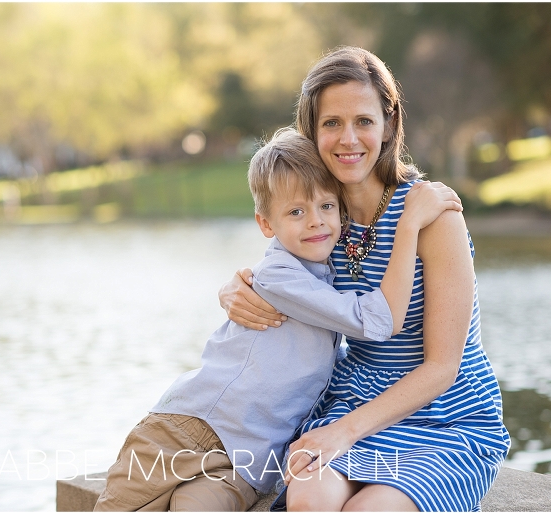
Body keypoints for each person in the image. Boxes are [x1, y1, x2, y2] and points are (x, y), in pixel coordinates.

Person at [94, 128, 461, 512]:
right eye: (296, 212)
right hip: (188, 430)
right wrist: (409, 225)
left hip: (247, 463)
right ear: (266, 225)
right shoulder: (279, 275)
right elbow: (380, 320)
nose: (316, 222)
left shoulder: (326, 271)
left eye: (326, 206)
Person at [219, 46, 511, 512]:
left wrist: (343, 432)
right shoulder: (321, 217)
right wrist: (234, 286)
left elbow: (442, 368)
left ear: (389, 125)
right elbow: (280, 275)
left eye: (364, 121)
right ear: (311, 131)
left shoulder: (432, 216)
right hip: (354, 396)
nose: (348, 138)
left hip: (442, 416)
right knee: (309, 499)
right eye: (331, 123)